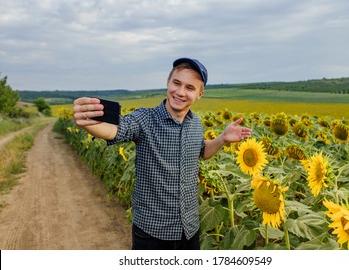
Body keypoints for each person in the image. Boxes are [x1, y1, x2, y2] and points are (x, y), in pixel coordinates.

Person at [73, 57, 252, 250]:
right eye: (176, 83)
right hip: (152, 232)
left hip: (189, 229)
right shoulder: (145, 119)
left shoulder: (195, 124)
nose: (180, 92)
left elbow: (201, 151)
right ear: (168, 83)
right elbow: (116, 130)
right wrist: (90, 124)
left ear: (199, 94)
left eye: (190, 88)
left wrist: (222, 138)